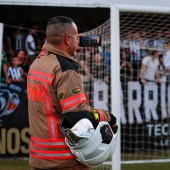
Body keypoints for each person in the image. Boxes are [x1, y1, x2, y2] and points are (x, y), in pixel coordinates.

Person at [27, 16, 118, 170]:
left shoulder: (37, 63)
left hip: (39, 158)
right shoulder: (64, 68)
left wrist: (71, 49)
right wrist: (106, 116)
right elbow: (77, 115)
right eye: (76, 37)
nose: (79, 40)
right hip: (63, 160)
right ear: (68, 39)